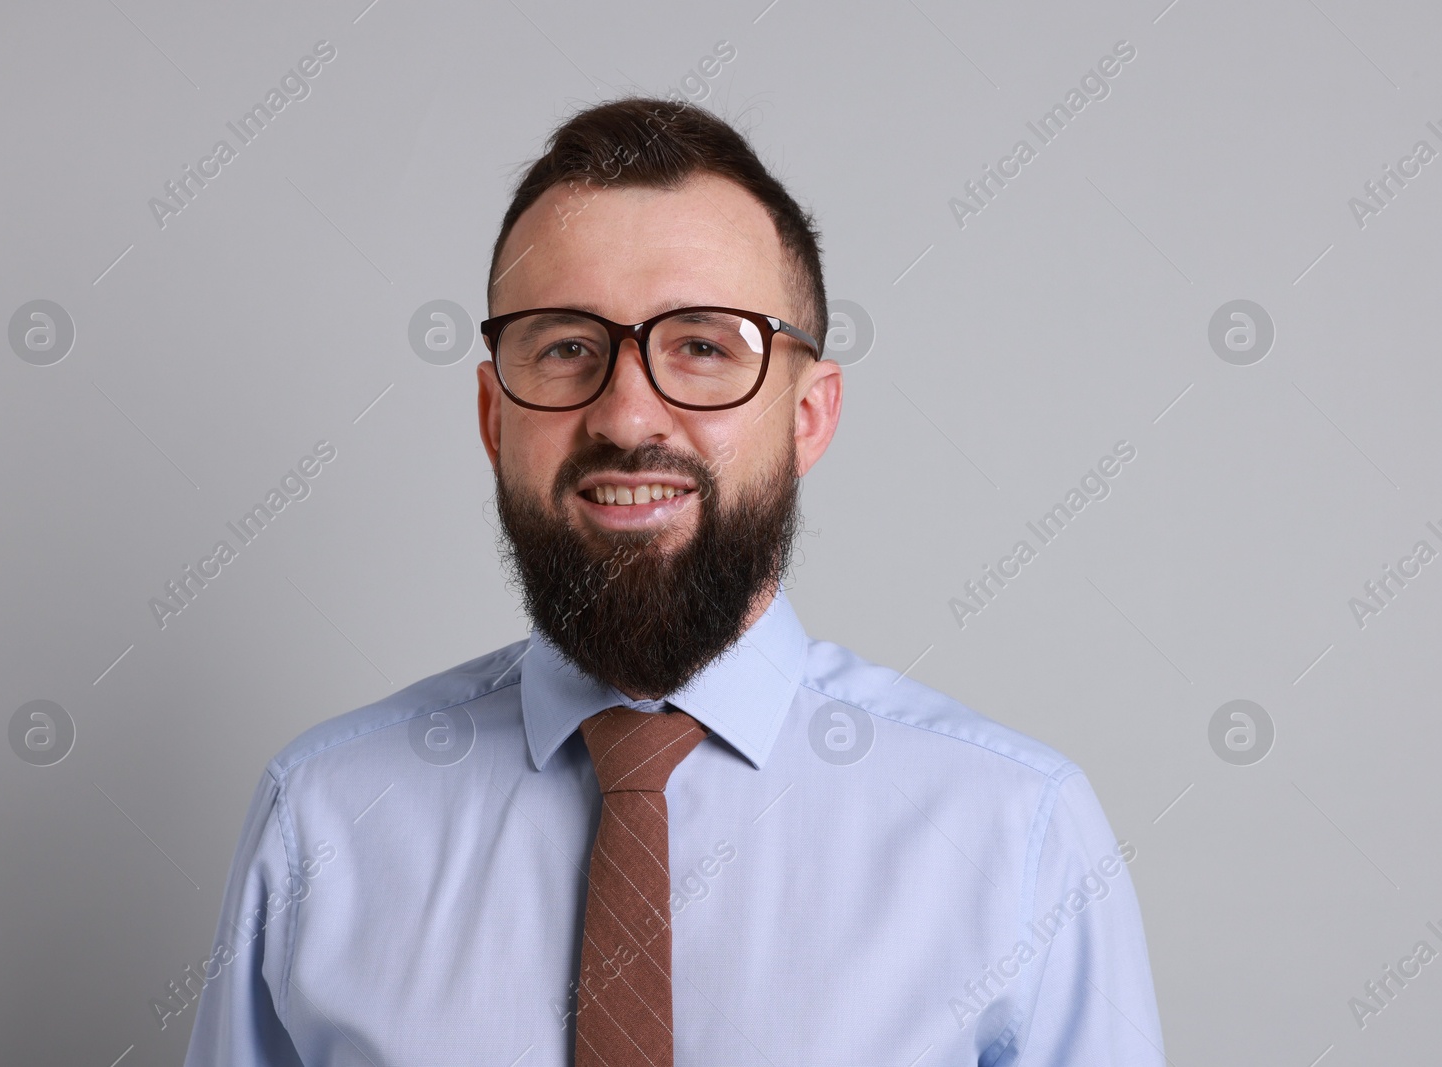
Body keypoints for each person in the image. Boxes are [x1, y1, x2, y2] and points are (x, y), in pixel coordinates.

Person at [182, 96, 1165, 1066]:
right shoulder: (320, 821)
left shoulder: (1017, 836)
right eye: (566, 347)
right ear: (493, 415)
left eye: (701, 346)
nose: (627, 414)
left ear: (809, 416)